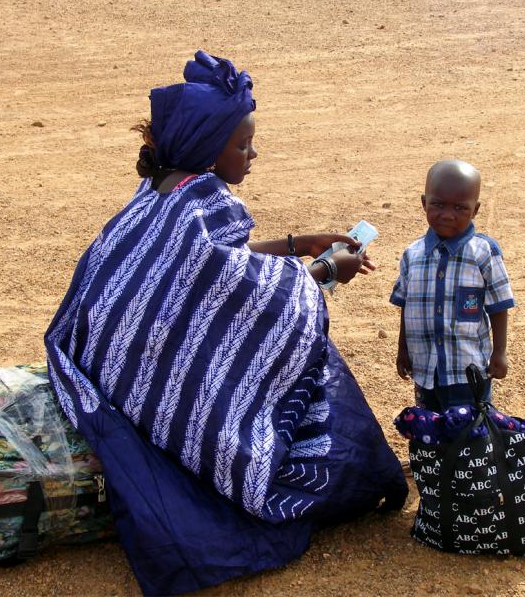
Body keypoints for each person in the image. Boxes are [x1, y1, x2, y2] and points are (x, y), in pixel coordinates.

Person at [45, 51, 406, 596]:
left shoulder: (164, 188)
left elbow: (207, 265)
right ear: (207, 149)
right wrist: (326, 269)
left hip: (109, 355)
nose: (253, 153)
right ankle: (321, 471)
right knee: (292, 341)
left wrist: (294, 245)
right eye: (243, 144)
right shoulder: (205, 201)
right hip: (144, 371)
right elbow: (243, 294)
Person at [390, 159, 516, 412]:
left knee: (471, 435)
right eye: (438, 204)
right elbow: (407, 306)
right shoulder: (412, 255)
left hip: (467, 370)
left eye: (460, 207)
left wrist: (499, 352)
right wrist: (403, 349)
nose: (448, 215)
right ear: (424, 203)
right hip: (425, 369)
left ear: (476, 209)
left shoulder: (483, 253)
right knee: (430, 429)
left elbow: (498, 306)